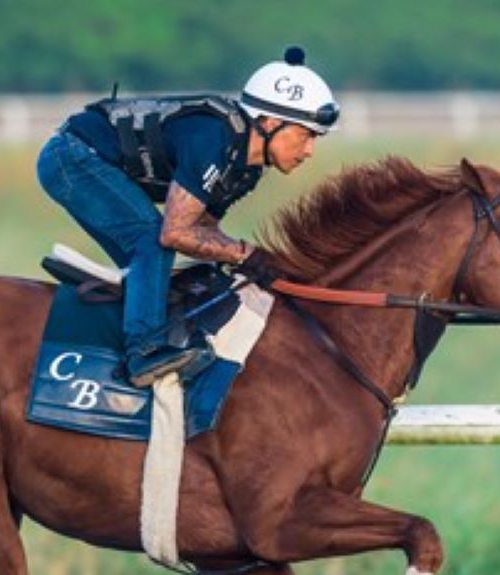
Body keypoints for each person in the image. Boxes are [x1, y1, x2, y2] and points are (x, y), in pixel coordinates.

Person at [37, 46, 339, 387]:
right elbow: (176, 233)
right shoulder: (215, 139)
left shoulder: (247, 170)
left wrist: (248, 259)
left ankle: (146, 328)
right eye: (306, 134)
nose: (310, 150)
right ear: (270, 123)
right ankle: (144, 354)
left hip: (88, 160)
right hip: (71, 157)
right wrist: (247, 253)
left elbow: (203, 230)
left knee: (176, 267)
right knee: (151, 243)